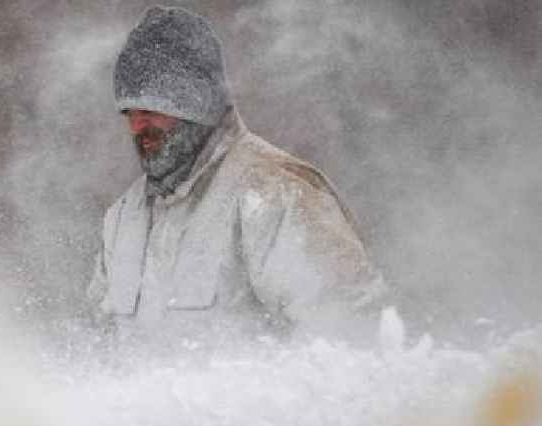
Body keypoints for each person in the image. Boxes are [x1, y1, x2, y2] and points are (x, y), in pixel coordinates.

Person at [87, 6, 385, 346]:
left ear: (194, 104)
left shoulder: (274, 192)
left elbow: (350, 340)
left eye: (151, 109)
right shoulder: (123, 218)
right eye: (130, 112)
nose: (138, 127)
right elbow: (100, 351)